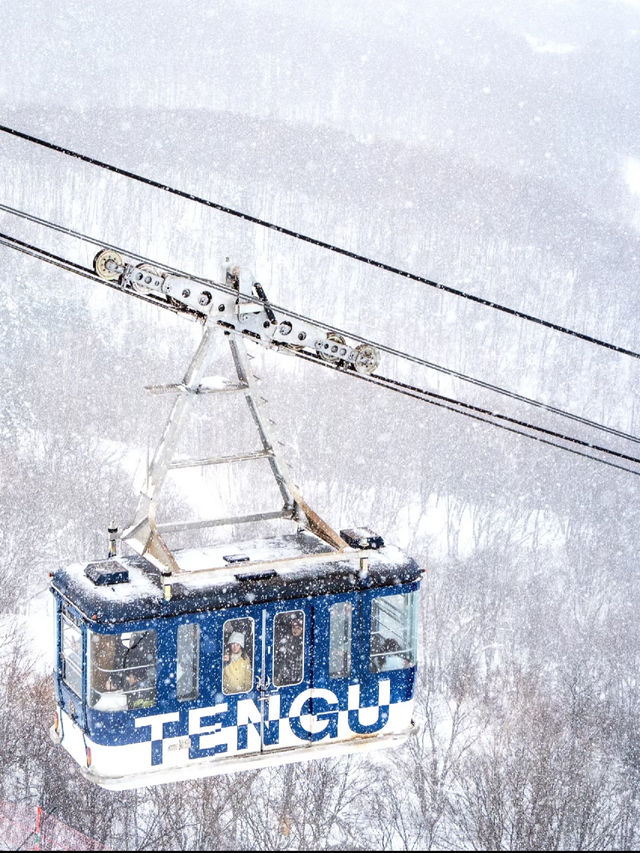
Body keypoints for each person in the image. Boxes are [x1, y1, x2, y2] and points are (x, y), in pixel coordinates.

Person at [275, 614, 304, 686]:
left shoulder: (303, 643)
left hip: (298, 677)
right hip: (286, 677)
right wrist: (277, 675)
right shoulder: (286, 641)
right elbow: (280, 659)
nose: (295, 630)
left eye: (298, 628)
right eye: (294, 627)